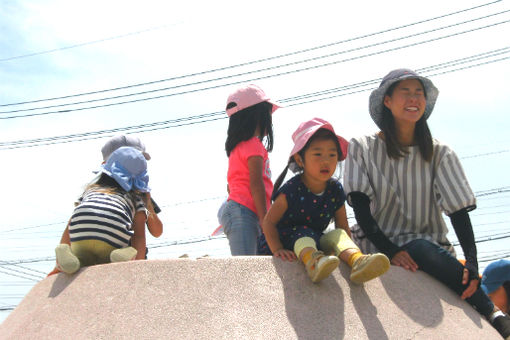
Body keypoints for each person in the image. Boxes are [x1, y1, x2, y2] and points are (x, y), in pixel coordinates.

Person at [343, 68, 510, 338]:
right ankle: (492, 310)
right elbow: (359, 205)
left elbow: (458, 211)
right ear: (387, 101)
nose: (414, 99)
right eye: (405, 92)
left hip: (430, 246)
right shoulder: (361, 147)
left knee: (423, 247)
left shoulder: (440, 152)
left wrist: (473, 263)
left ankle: (493, 314)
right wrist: (390, 249)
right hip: (376, 244)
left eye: (419, 93)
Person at [257, 118, 390, 283]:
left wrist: (341, 252)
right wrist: (277, 249)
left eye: (332, 154)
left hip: (314, 239)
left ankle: (357, 260)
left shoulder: (335, 189)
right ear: (300, 159)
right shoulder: (291, 189)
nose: (326, 161)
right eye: (318, 154)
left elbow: (342, 227)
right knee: (303, 233)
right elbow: (268, 222)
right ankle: (313, 264)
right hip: (286, 239)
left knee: (337, 234)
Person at [48, 135, 162, 275]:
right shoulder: (135, 195)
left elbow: (71, 224)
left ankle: (68, 260)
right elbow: (155, 232)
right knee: (126, 250)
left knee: (80, 253)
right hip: (119, 249)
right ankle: (122, 259)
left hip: (81, 241)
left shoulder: (92, 189)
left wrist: (58, 262)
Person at [219, 84, 280, 255]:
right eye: (268, 115)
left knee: (248, 267)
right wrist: (265, 219)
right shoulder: (253, 145)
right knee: (246, 271)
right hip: (244, 212)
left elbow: (231, 186)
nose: (270, 121)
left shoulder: (238, 146)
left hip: (240, 210)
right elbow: (256, 183)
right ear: (257, 116)